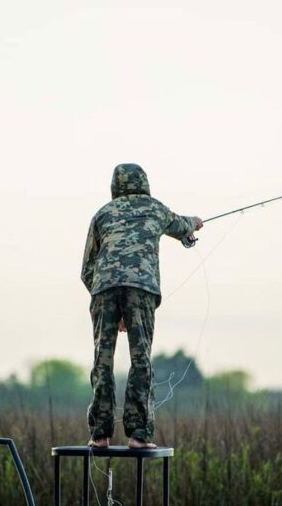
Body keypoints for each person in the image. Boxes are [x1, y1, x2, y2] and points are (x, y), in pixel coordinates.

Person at [80, 163, 203, 449]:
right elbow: (183, 225)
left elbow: (87, 267)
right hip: (141, 289)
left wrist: (103, 295)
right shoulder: (155, 209)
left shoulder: (102, 214)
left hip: (104, 290)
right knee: (141, 360)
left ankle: (99, 435)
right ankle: (138, 435)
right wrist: (195, 222)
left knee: (103, 359)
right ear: (144, 182)